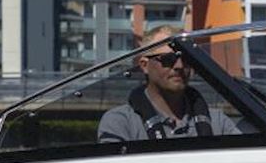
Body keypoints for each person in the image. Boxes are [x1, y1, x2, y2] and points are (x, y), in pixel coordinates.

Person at [97, 25, 245, 142]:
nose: (179, 65)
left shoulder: (217, 121)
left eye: (187, 58)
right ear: (144, 65)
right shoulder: (120, 122)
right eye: (168, 59)